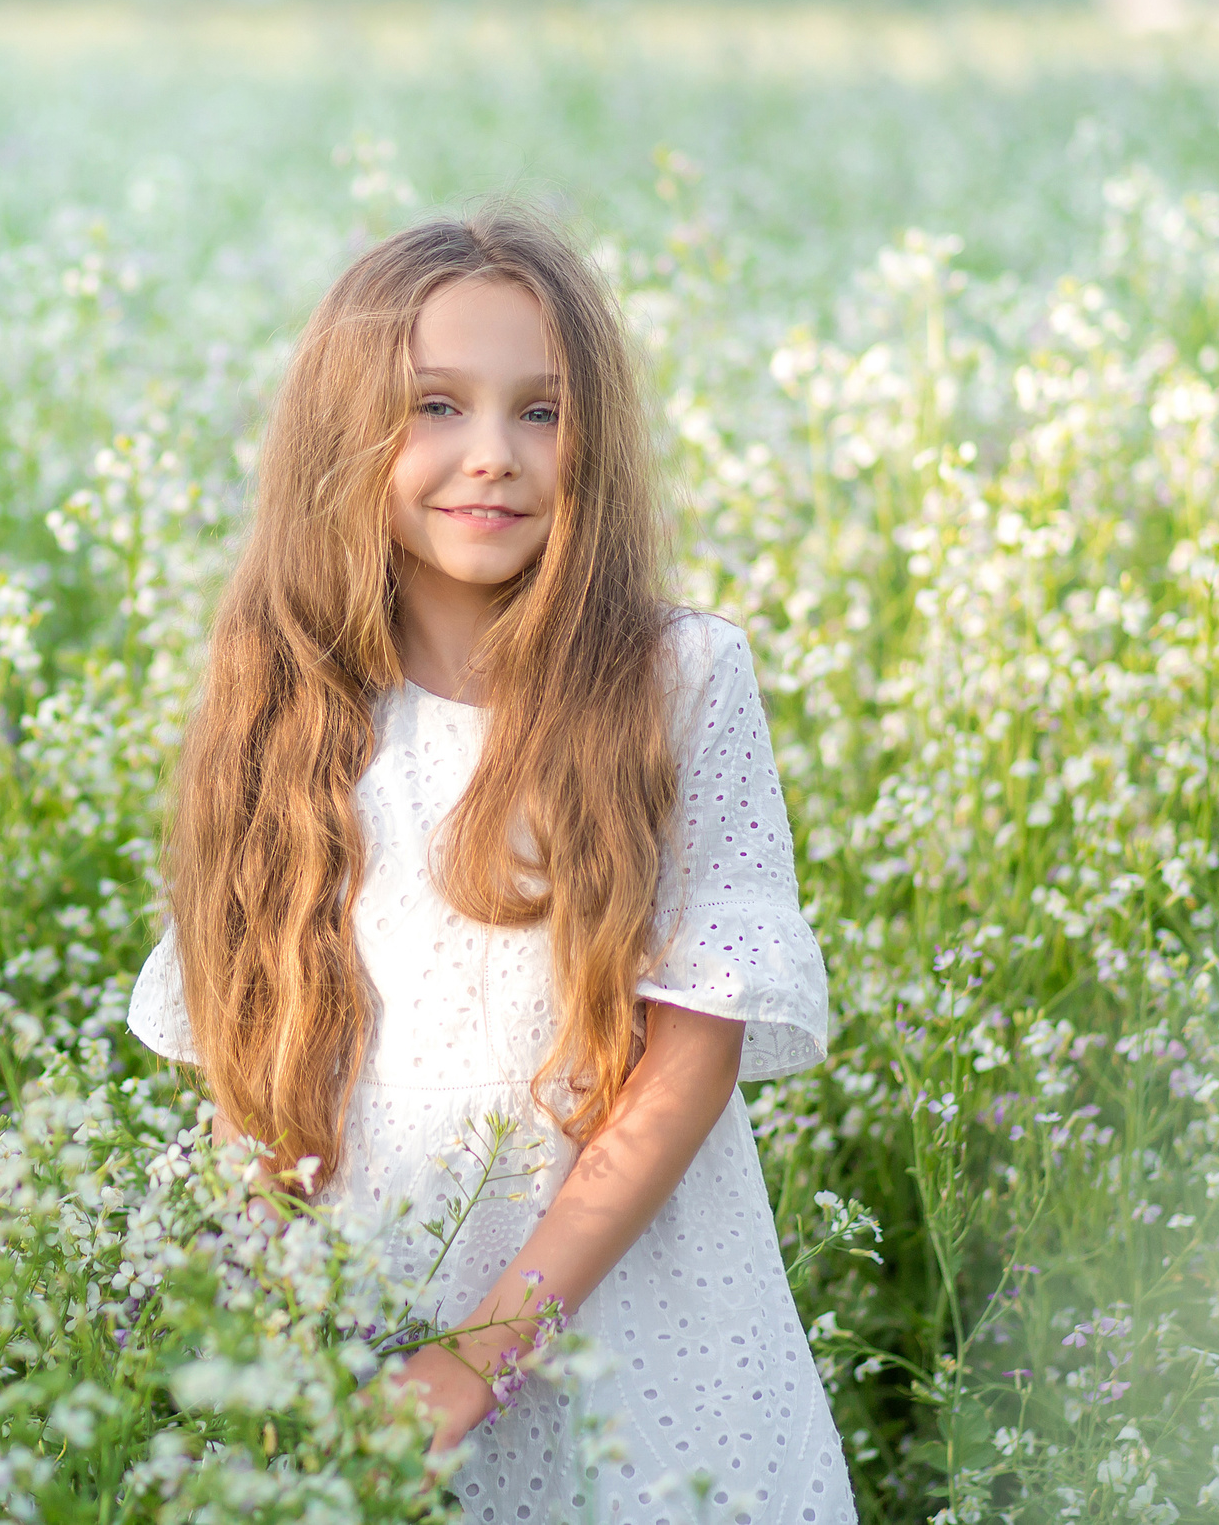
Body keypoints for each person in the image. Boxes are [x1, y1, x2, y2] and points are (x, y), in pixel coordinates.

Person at [126, 207, 858, 1524]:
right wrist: (280, 1354)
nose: (491, 458)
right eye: (435, 407)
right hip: (367, 1329)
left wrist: (482, 1354)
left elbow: (687, 1065)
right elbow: (249, 1071)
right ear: (347, 436)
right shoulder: (284, 708)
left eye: (540, 412)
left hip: (637, 1328)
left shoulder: (678, 679)